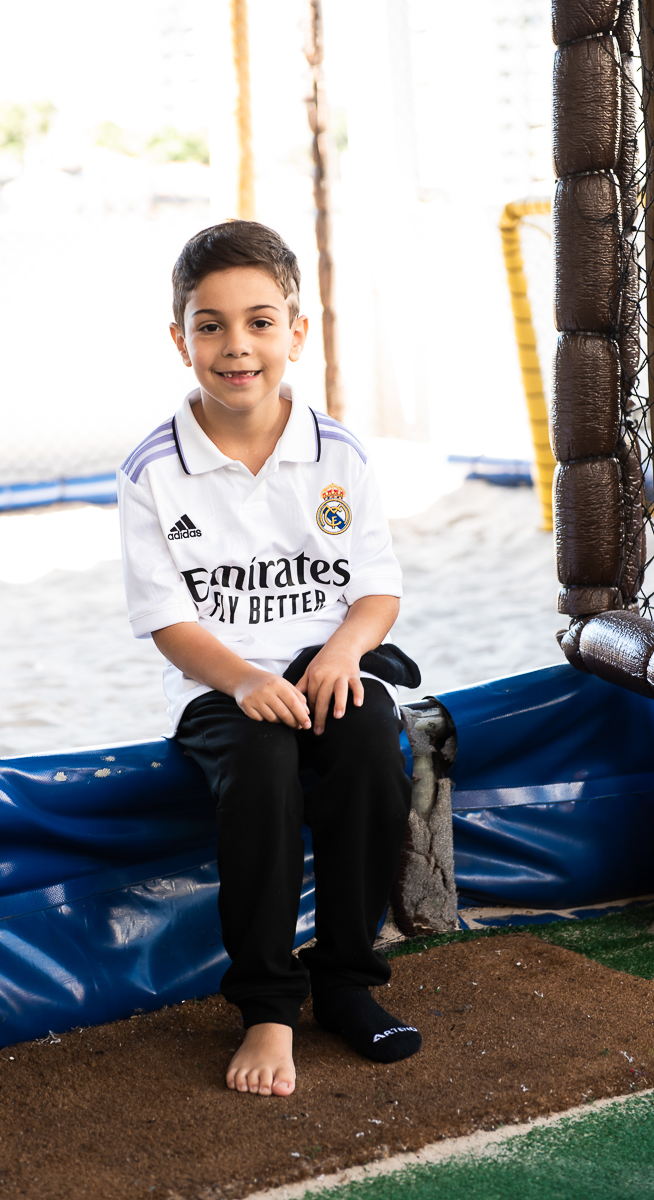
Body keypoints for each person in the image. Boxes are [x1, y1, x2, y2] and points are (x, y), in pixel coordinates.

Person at [118, 220, 420, 1098]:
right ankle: (266, 1006)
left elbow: (377, 590)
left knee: (369, 742)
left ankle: (347, 981)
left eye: (258, 321)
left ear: (296, 330)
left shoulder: (339, 452)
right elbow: (167, 621)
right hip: (222, 682)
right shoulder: (151, 471)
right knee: (261, 763)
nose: (236, 345)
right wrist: (247, 679)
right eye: (209, 325)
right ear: (180, 340)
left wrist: (343, 652)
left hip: (325, 663)